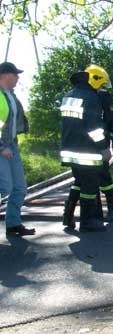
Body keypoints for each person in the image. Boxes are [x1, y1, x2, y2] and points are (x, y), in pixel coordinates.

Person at [62, 65, 113, 229]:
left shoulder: (69, 96)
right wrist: (104, 147)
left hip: (71, 150)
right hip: (90, 150)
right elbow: (94, 128)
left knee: (79, 182)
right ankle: (88, 222)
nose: (103, 89)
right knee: (91, 185)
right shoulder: (91, 97)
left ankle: (68, 217)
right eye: (102, 85)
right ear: (95, 81)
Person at [0, 61, 35, 236]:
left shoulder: (10, 95)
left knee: (19, 187)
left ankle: (13, 224)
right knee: (5, 186)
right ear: (6, 75)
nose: (18, 78)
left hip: (11, 145)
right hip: (2, 147)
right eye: (15, 75)